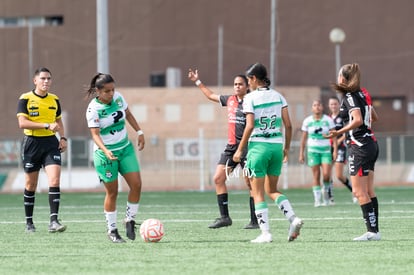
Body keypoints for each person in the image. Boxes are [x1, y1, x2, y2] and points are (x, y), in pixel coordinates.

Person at [233, 62, 303, 243]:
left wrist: (240, 150)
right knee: (272, 190)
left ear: (254, 79)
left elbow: (249, 125)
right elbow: (288, 125)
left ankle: (265, 234)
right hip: (276, 147)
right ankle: (293, 219)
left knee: (257, 193)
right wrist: (286, 148)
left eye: (249, 80)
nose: (248, 84)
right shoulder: (279, 96)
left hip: (258, 148)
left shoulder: (250, 98)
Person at [188, 68, 258, 229]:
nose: (237, 87)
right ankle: (225, 217)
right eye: (235, 84)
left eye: (240, 84)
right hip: (231, 148)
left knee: (250, 183)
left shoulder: (251, 101)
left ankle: (255, 220)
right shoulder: (230, 100)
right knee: (218, 178)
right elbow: (211, 96)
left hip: (247, 148)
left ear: (247, 86)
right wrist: (197, 81)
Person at [85, 73, 145, 243]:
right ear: (98, 91)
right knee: (112, 192)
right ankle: (112, 231)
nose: (111, 94)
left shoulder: (118, 98)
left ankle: (130, 220)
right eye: (107, 91)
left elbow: (128, 114)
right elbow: (95, 135)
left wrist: (139, 132)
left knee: (137, 185)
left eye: (113, 90)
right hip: (105, 155)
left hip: (125, 149)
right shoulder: (93, 109)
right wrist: (105, 150)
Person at [325, 63, 380, 241]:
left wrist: (339, 132)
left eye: (340, 74)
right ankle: (375, 231)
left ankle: (371, 232)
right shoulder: (363, 93)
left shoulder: (349, 96)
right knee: (369, 190)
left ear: (344, 78)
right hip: (370, 143)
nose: (338, 77)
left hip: (360, 146)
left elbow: (357, 120)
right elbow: (373, 117)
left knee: (358, 192)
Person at [16, 67, 67, 233]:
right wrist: (46, 125)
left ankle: (54, 221)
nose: (46, 82)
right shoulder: (25, 98)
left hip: (51, 143)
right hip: (31, 143)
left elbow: (58, 121)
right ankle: (29, 222)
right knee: (31, 184)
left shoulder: (54, 99)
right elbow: (22, 123)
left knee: (55, 180)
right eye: (43, 78)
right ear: (35, 80)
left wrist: (63, 138)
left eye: (49, 79)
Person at [299, 100, 337, 207]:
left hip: (325, 151)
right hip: (312, 151)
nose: (317, 107)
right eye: (315, 105)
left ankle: (326, 195)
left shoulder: (328, 120)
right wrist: (301, 153)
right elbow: (303, 139)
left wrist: (335, 151)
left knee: (326, 175)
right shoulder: (307, 121)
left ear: (322, 107)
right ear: (312, 108)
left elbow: (334, 136)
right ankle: (317, 200)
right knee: (316, 175)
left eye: (319, 105)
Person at [327, 97, 356, 203]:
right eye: (331, 104)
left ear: (339, 105)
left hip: (340, 148)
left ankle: (354, 191)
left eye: (335, 104)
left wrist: (339, 141)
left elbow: (347, 130)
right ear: (329, 106)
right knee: (327, 174)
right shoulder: (328, 118)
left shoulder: (343, 117)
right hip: (329, 148)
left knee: (339, 175)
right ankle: (330, 197)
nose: (333, 106)